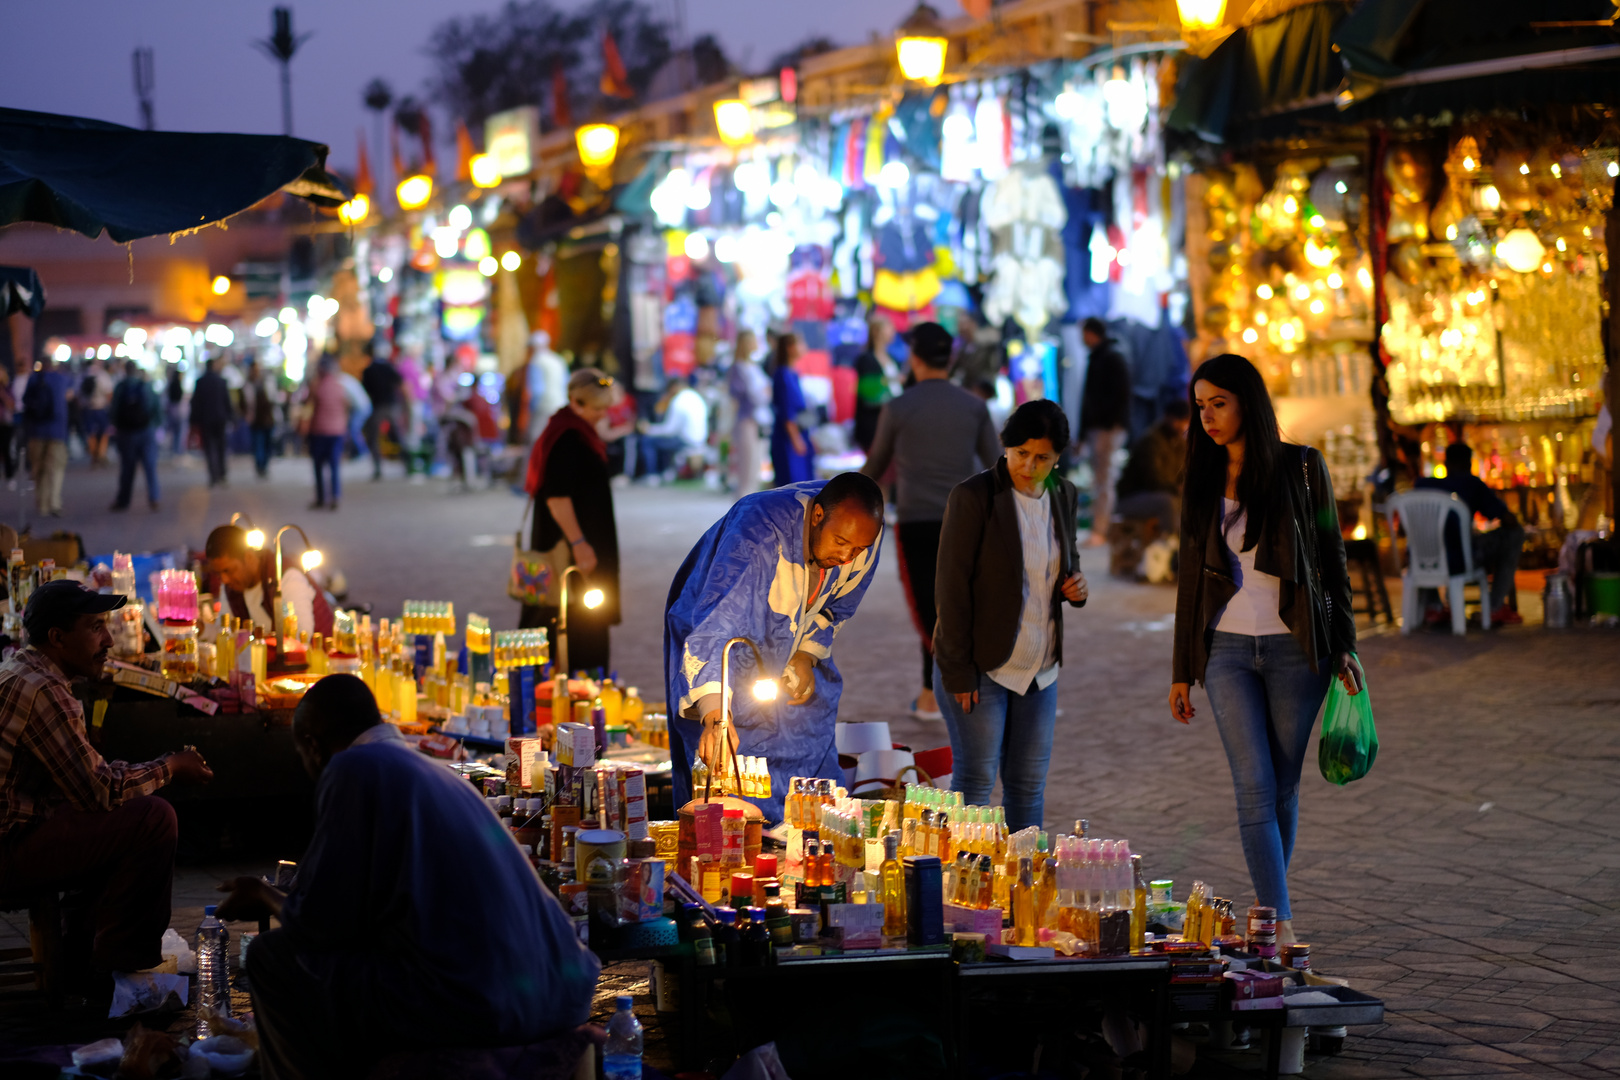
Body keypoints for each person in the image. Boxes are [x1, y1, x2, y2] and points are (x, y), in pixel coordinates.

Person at [216, 674, 598, 1080]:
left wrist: (262, 894)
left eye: (302, 755)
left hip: (485, 1002)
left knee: (270, 957)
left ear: (312, 745)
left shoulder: (351, 767)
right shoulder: (434, 771)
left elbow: (318, 923)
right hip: (563, 991)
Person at [1169, 354, 1362, 945]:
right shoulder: (1200, 477)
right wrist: (1182, 669)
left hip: (1295, 650)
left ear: (1247, 402)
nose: (1208, 417)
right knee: (1253, 785)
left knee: (1281, 788)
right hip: (1226, 651)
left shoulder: (1303, 467)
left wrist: (1346, 644)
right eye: (1200, 406)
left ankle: (1264, 908)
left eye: (1218, 403)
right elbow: (1190, 578)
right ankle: (1277, 924)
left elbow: (1331, 558)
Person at [0, 581, 213, 985]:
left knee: (114, 811)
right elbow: (101, 790)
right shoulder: (44, 690)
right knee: (152, 818)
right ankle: (124, 966)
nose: (109, 640)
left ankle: (82, 951)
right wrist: (171, 767)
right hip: (7, 851)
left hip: (17, 831)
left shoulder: (19, 666)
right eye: (95, 627)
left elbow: (84, 782)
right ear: (58, 638)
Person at [665, 472, 885, 821]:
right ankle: (739, 842)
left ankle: (800, 835)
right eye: (841, 542)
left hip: (794, 638)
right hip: (723, 635)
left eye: (858, 549)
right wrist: (715, 715)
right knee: (725, 752)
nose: (847, 556)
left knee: (806, 725)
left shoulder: (863, 532)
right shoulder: (758, 533)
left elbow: (837, 607)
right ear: (817, 517)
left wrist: (806, 654)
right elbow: (715, 625)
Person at [933, 401, 1088, 832]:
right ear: (1006, 447)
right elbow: (951, 589)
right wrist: (957, 671)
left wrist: (1077, 588)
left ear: (1058, 457)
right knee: (975, 784)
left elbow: (1062, 566)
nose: (1029, 465)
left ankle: (1023, 886)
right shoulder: (974, 497)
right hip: (981, 666)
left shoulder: (1064, 495)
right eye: (1020, 453)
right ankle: (964, 888)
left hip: (1041, 668)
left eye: (1043, 458)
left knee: (1027, 786)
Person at [861, 321, 1001, 721]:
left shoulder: (899, 407)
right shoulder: (974, 407)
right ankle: (935, 691)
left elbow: (874, 467)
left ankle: (944, 692)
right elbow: (997, 467)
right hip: (967, 522)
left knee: (930, 610)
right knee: (959, 604)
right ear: (951, 358)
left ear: (915, 359)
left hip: (917, 522)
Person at [518, 370, 622, 674]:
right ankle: (569, 688)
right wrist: (580, 544)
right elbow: (557, 497)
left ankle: (574, 683)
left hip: (578, 541)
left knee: (578, 616)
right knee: (571, 617)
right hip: (571, 547)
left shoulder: (572, 430)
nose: (603, 416)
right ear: (576, 403)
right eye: (598, 409)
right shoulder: (568, 438)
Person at [206, 524, 334, 639]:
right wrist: (200, 629)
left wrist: (261, 641)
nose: (224, 580)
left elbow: (301, 635)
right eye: (218, 573)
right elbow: (224, 631)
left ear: (249, 557)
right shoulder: (231, 587)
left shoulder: (286, 577)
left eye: (229, 570)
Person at [1079, 318, 1131, 547]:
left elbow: (1120, 395)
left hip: (1107, 429)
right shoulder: (1101, 356)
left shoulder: (1111, 357)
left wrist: (1107, 424)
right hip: (1101, 427)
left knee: (1104, 478)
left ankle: (1101, 529)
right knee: (1101, 478)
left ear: (1091, 333)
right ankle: (1099, 529)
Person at [1114, 399, 1192, 537]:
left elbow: (1182, 474)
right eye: (1179, 420)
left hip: (1162, 494)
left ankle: (1189, 545)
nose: (1182, 426)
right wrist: (1177, 489)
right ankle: (1172, 546)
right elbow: (1154, 480)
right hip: (1131, 498)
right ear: (1167, 417)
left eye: (1185, 421)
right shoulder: (1151, 441)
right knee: (1168, 503)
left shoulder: (1179, 443)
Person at [108, 361, 163, 512]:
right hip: (146, 431)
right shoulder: (146, 386)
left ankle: (123, 500)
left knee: (127, 468)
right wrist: (155, 425)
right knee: (150, 466)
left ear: (125, 370)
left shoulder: (121, 387)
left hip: (127, 433)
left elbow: (114, 410)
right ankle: (154, 498)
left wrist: (117, 428)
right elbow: (157, 407)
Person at [22, 356, 73, 517]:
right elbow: (71, 395)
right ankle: (54, 502)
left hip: (36, 430)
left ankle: (41, 503)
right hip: (57, 430)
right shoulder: (62, 378)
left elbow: (25, 400)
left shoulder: (33, 379)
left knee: (38, 468)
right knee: (55, 468)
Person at [300, 358, 349, 511]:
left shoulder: (316, 386)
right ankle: (335, 496)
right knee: (334, 466)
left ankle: (321, 498)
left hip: (319, 431)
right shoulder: (340, 387)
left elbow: (307, 405)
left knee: (318, 466)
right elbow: (347, 406)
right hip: (337, 431)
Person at [638, 376, 709, 481]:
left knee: (647, 441)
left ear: (674, 387)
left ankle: (652, 475)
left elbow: (669, 430)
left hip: (685, 440)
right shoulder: (696, 396)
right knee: (662, 441)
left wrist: (649, 429)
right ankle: (663, 472)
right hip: (700, 439)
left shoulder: (678, 401)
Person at [727, 328, 771, 498]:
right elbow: (748, 395)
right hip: (746, 419)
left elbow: (763, 393)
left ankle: (750, 498)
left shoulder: (753, 367)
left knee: (756, 463)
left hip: (759, 419)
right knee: (746, 464)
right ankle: (743, 500)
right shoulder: (738, 368)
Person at [770, 332, 816, 487]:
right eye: (800, 343)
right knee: (792, 484)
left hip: (799, 433)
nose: (804, 347)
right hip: (788, 438)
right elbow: (786, 410)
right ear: (790, 348)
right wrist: (796, 438)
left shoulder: (793, 374)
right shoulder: (783, 375)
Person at [852, 315, 898, 453]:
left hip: (890, 421)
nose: (893, 332)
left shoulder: (892, 358)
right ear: (877, 332)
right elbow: (869, 394)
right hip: (872, 423)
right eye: (889, 328)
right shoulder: (866, 359)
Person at [190, 356, 234, 487]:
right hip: (220, 419)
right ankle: (222, 474)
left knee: (209, 448)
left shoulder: (200, 382)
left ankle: (213, 475)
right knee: (221, 447)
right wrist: (231, 416)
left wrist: (193, 421)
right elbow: (227, 401)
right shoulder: (221, 381)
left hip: (206, 419)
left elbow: (195, 403)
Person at [361, 349, 405, 480]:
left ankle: (378, 468)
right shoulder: (388, 367)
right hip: (391, 405)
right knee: (398, 435)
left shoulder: (368, 371)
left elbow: (365, 392)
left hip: (378, 407)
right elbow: (401, 384)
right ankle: (408, 463)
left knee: (373, 437)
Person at [242, 359, 281, 479]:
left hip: (268, 419)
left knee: (267, 444)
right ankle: (260, 467)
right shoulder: (249, 384)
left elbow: (274, 398)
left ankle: (264, 465)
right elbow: (245, 403)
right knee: (259, 444)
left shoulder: (267, 382)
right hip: (257, 420)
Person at [79, 359, 114, 468]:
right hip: (101, 407)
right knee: (104, 432)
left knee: (91, 433)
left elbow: (78, 393)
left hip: (88, 408)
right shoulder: (103, 375)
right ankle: (101, 455)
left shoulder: (84, 375)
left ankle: (94, 456)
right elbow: (109, 392)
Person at [163, 366, 185, 455]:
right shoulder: (177, 385)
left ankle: (174, 449)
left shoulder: (171, 384)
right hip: (177, 409)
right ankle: (177, 449)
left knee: (173, 430)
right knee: (178, 431)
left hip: (172, 409)